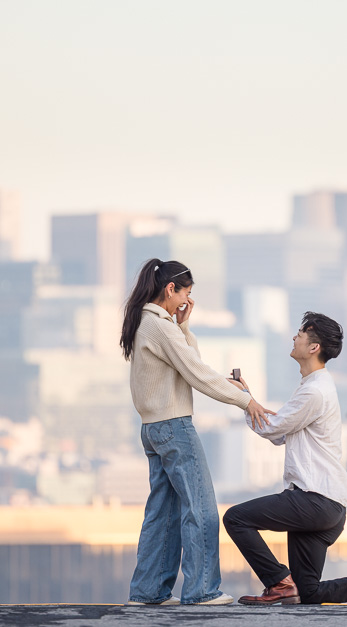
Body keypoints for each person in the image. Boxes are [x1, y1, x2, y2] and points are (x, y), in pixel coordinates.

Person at [224, 311, 347, 605]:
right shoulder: (312, 388)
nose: (294, 337)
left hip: (314, 500)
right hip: (327, 506)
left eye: (300, 334)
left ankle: (278, 583)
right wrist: (249, 397)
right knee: (309, 593)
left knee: (235, 518)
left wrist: (245, 400)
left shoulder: (315, 391)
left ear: (314, 347)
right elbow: (280, 434)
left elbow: (273, 428)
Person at [120, 258, 273, 606]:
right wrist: (244, 400)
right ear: (170, 289)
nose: (185, 303)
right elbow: (198, 373)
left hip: (153, 429)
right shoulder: (159, 326)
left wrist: (184, 327)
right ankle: (202, 590)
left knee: (163, 513)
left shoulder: (150, 323)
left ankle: (147, 592)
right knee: (201, 508)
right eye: (184, 295)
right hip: (174, 427)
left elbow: (188, 361)